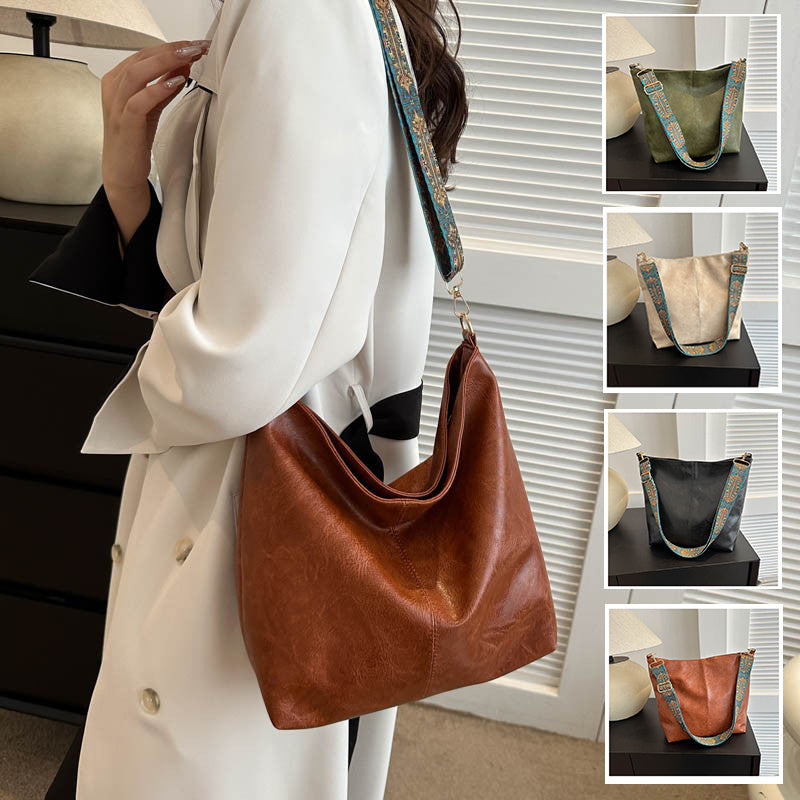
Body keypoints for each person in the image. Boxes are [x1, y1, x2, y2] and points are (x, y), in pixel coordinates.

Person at [31, 0, 467, 798]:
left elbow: (239, 360)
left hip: (263, 496)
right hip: (282, 473)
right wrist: (126, 177)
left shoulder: (297, 16)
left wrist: (164, 375)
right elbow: (232, 283)